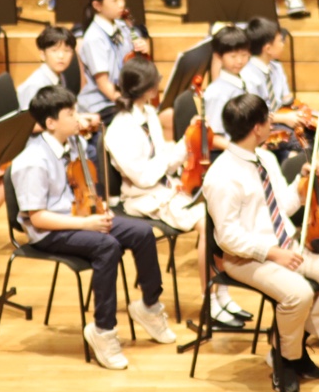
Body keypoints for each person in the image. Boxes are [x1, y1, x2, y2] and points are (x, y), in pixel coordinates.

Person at [11, 84, 178, 370]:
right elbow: (37, 218)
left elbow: (80, 180)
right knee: (107, 247)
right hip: (50, 231)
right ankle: (103, 330)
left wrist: (95, 213)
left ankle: (149, 306)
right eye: (70, 114)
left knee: (142, 232)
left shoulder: (71, 141)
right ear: (50, 123)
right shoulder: (32, 161)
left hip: (80, 215)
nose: (78, 118)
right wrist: (85, 224)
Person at [201, 94, 319, 392]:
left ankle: (288, 345)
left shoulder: (266, 158)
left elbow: (281, 207)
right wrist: (271, 253)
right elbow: (227, 237)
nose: (272, 123)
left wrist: (302, 184)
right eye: (268, 119)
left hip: (286, 245)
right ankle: (287, 358)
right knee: (299, 294)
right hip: (246, 258)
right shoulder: (223, 176)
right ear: (257, 128)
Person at [104, 56, 250, 330]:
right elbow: (144, 177)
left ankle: (222, 294)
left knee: (220, 214)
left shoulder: (149, 114)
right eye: (154, 82)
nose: (158, 86)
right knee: (208, 223)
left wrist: (189, 138)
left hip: (165, 187)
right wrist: (179, 148)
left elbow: (166, 162)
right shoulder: (118, 130)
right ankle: (209, 302)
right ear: (144, 88)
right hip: (142, 198)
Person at [77, 0, 148, 127]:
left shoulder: (123, 27)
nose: (121, 4)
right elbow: (103, 83)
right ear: (97, 5)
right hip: (101, 103)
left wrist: (142, 47)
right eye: (115, 0)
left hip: (123, 95)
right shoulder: (94, 38)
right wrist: (127, 105)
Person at [241, 17, 311, 164]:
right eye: (280, 41)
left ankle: (289, 161)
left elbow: (287, 99)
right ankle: (291, 167)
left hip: (281, 118)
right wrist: (284, 118)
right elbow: (255, 115)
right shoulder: (247, 75)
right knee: (301, 143)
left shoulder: (277, 68)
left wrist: (298, 113)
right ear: (268, 48)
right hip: (263, 125)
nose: (282, 44)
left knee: (313, 133)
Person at [202, 26, 251, 140]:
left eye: (244, 55)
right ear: (218, 56)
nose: (239, 61)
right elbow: (214, 137)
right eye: (233, 56)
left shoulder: (243, 81)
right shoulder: (216, 93)